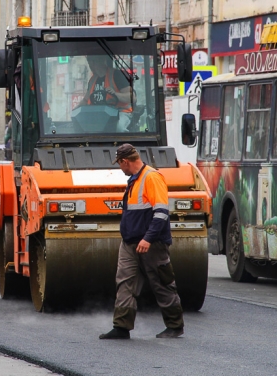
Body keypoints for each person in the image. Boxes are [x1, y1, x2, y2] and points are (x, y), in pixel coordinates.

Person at [100, 143, 184, 340]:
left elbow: (161, 213)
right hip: (130, 243)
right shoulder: (134, 180)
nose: (120, 168)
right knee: (125, 283)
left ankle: (175, 326)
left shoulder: (152, 178)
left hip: (151, 244)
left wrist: (148, 239)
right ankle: (121, 327)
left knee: (162, 283)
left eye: (119, 164)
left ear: (125, 161)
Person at [77, 56, 134, 131]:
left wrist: (115, 94)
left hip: (120, 112)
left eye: (94, 61)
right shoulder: (92, 79)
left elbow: (132, 97)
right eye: (89, 62)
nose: (91, 65)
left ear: (102, 60)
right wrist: (75, 110)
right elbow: (85, 100)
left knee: (119, 128)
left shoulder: (117, 75)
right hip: (100, 114)